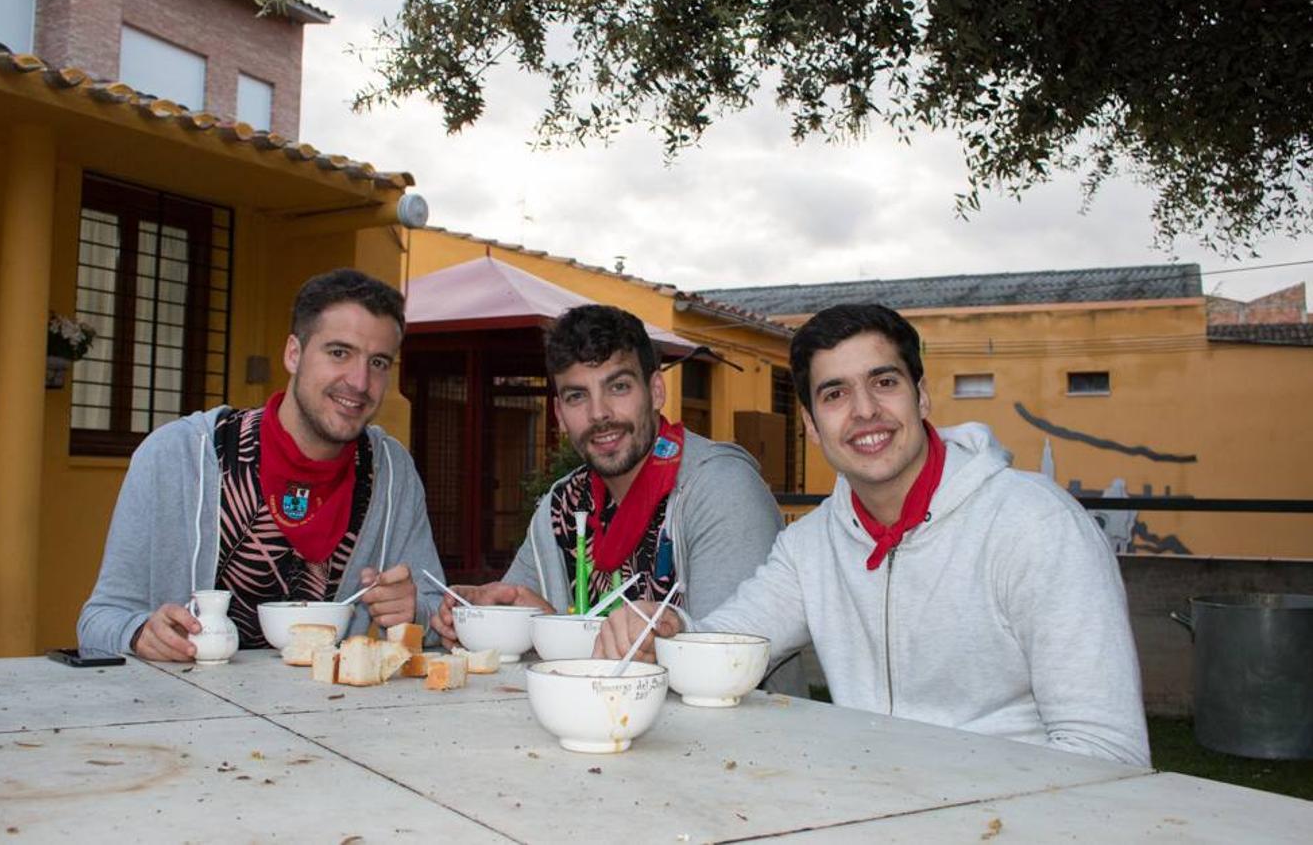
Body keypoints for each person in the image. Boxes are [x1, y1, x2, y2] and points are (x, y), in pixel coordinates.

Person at [595, 303, 1150, 766]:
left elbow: (1108, 752)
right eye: (835, 394)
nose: (864, 412)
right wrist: (665, 626)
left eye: (884, 382)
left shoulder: (1036, 526)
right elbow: (721, 649)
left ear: (922, 396)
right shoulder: (810, 546)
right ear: (811, 426)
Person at [430, 304, 804, 693]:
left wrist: (562, 634)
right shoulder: (562, 507)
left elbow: (726, 660)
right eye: (577, 396)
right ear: (559, 411)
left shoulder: (720, 489)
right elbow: (519, 634)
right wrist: (482, 613)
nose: (599, 414)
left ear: (656, 390)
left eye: (618, 387)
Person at [78, 268, 445, 661]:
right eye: (339, 352)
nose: (359, 381)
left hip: (327, 714)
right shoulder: (176, 455)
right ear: (293, 353)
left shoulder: (392, 474)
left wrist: (415, 612)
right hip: (185, 715)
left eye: (378, 363)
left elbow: (438, 614)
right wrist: (138, 634)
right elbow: (98, 621)